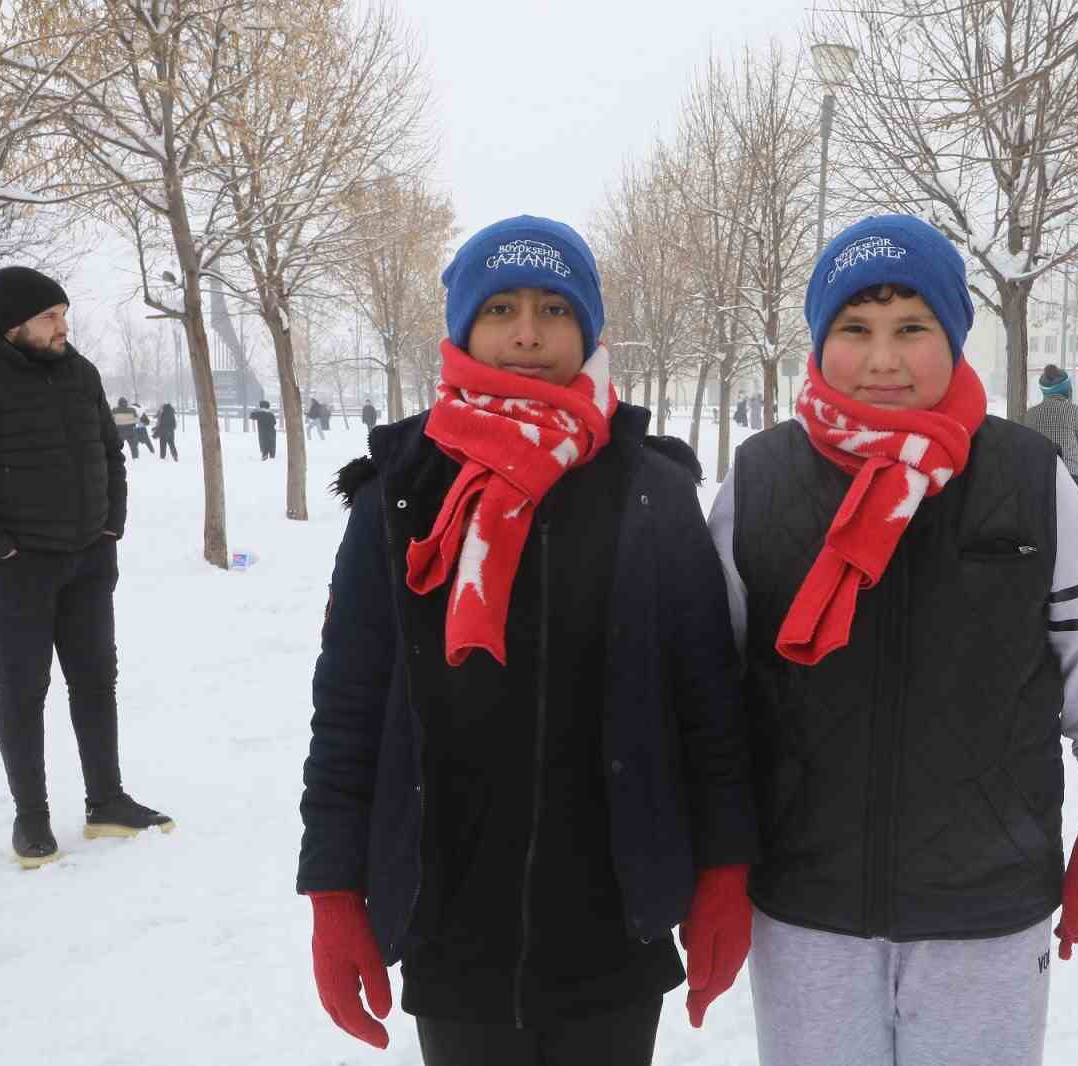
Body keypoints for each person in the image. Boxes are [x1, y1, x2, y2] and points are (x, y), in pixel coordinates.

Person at [296, 215, 758, 1066]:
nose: (527, 334)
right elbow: (352, 705)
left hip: (613, 922)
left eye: (553, 309)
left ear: (587, 328)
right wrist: (333, 888)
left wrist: (725, 872)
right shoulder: (398, 492)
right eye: (501, 308)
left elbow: (708, 701)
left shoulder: (652, 489)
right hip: (452, 918)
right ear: (464, 327)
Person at [706, 216, 1078, 1066]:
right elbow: (710, 692)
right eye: (855, 329)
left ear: (951, 336)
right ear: (819, 339)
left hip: (984, 903)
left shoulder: (1028, 478)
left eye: (912, 329)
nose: (883, 359)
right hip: (806, 903)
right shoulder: (759, 481)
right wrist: (717, 859)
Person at [0, 266, 173, 868]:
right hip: (17, 569)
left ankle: (106, 800)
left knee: (94, 680)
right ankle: (31, 820)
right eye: (48, 317)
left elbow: (110, 451)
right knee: (24, 689)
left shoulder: (78, 370)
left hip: (88, 558)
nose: (63, 326)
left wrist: (113, 523)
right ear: (14, 326)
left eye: (63, 314)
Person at [1023, 364, 1078, 489]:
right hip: (1070, 479)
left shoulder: (1030, 415)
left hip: (1039, 479)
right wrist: (1072, 459)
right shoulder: (1073, 411)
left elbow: (1026, 450)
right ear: (1067, 388)